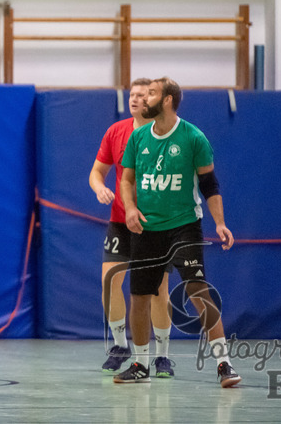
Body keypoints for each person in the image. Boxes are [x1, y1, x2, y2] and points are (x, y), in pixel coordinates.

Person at [116, 77, 242, 388]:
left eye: (152, 93)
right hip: (147, 229)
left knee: (197, 290)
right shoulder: (138, 138)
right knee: (139, 297)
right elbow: (127, 180)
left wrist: (220, 223)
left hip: (184, 226)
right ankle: (140, 363)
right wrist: (130, 209)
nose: (145, 98)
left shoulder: (193, 137)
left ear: (168, 100)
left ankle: (224, 362)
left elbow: (210, 185)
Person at [89, 78, 174, 376]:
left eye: (142, 95)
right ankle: (119, 345)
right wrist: (99, 187)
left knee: (157, 291)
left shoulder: (165, 134)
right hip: (120, 221)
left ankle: (162, 354)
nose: (136, 99)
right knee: (110, 280)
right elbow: (97, 172)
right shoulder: (116, 132)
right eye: (132, 95)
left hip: (154, 224)